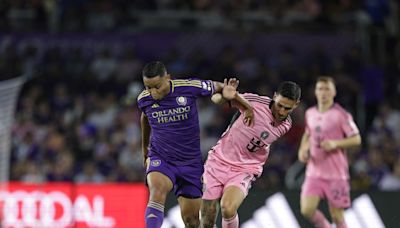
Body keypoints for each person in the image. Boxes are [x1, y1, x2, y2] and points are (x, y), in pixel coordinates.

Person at [137, 61, 254, 228]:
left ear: (167, 78)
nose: (152, 92)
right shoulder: (144, 99)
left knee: (192, 221)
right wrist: (145, 149)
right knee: (157, 192)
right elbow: (145, 117)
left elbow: (220, 87)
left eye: (157, 86)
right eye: (148, 87)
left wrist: (246, 106)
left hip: (190, 164)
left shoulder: (188, 86)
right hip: (162, 157)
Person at [201, 81, 301, 228]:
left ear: (296, 105)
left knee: (228, 208)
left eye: (287, 108)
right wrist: (225, 96)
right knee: (207, 218)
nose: (281, 112)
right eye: (279, 105)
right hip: (218, 161)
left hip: (245, 168)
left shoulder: (286, 125)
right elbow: (217, 99)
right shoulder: (255, 102)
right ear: (274, 96)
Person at [298, 76, 362, 228]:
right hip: (314, 171)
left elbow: (357, 139)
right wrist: (303, 149)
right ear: (315, 92)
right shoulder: (310, 113)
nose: (323, 92)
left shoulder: (341, 114)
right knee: (307, 210)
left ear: (334, 92)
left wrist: (335, 143)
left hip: (336, 174)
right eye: (320, 88)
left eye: (327, 89)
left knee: (337, 215)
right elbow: (308, 133)